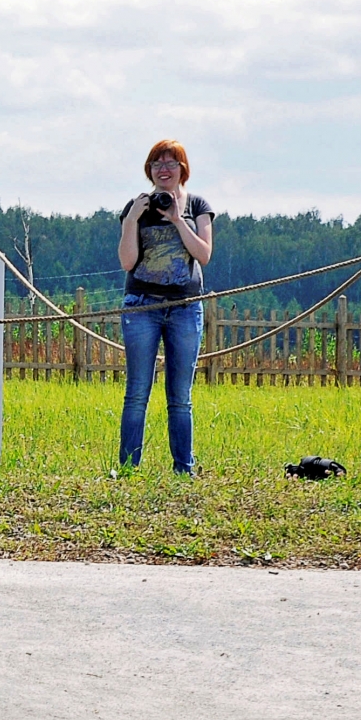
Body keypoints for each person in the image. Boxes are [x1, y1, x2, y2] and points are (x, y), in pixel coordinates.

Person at [116, 139, 215, 474]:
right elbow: (128, 262)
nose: (164, 169)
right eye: (157, 163)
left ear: (182, 170)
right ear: (149, 170)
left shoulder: (198, 206)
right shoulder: (137, 207)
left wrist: (176, 219)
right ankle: (129, 468)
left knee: (180, 397)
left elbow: (203, 254)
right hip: (141, 306)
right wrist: (131, 219)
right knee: (137, 392)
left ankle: (183, 470)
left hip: (185, 308)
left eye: (171, 163)